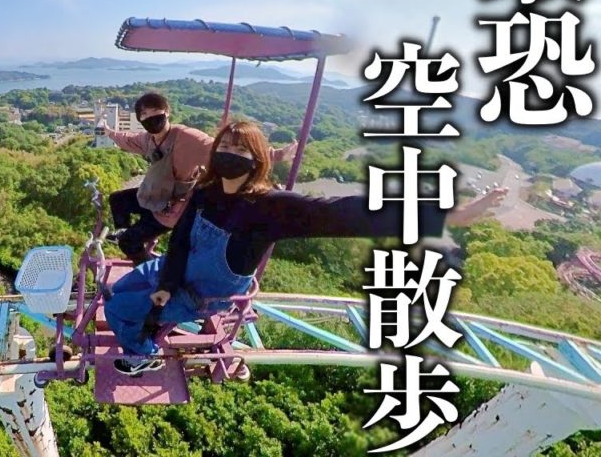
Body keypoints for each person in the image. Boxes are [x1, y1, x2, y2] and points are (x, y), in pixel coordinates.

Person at [102, 120, 508, 376]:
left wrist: (449, 215)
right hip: (177, 273)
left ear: (257, 161)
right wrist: (165, 282)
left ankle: (143, 351)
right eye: (224, 147)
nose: (230, 155)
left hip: (203, 294)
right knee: (120, 292)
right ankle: (146, 319)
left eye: (241, 151)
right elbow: (179, 243)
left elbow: (347, 212)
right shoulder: (207, 193)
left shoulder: (270, 208)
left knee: (120, 309)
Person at [100, 92, 297, 264]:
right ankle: (126, 234)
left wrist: (277, 155)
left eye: (155, 112)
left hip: (172, 207)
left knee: (129, 242)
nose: (150, 118)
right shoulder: (147, 139)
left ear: (167, 112)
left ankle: (146, 269)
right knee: (118, 200)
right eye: (144, 114)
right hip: (153, 195)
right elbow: (126, 139)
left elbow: (223, 149)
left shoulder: (187, 138)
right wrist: (109, 132)